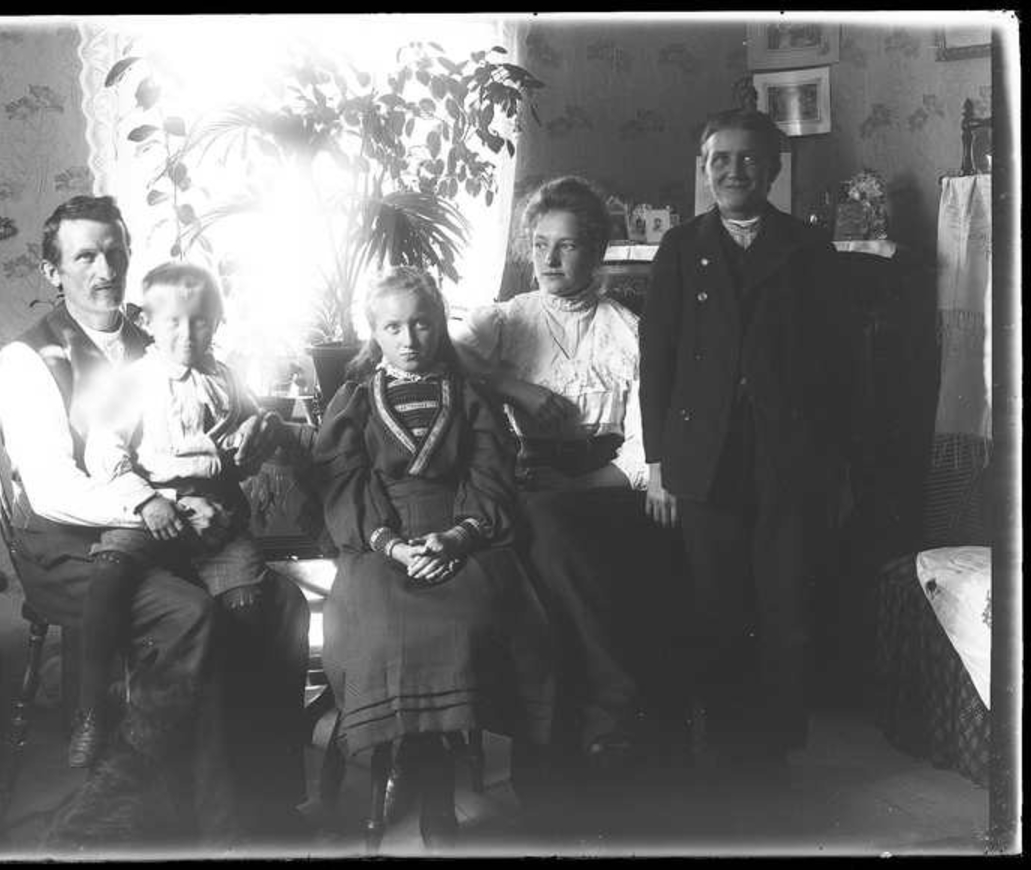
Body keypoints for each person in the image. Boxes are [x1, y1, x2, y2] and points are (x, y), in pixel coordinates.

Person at [0, 195, 309, 845]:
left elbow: (220, 419)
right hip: (72, 546)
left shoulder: (163, 336)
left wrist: (257, 430)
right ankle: (169, 813)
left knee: (281, 603)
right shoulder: (29, 360)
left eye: (115, 252)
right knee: (189, 615)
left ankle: (266, 800)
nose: (105, 269)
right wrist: (170, 509)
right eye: (85, 256)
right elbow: (52, 490)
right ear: (53, 271)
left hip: (169, 537)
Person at [452, 176, 688, 776]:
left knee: (551, 525)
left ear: (596, 251)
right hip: (528, 476)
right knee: (542, 525)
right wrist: (514, 387)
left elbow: (644, 444)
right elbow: (440, 352)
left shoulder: (626, 330)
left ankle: (596, 711)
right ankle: (607, 706)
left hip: (604, 486)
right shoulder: (508, 321)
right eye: (539, 245)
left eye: (567, 245)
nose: (549, 259)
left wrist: (581, 484)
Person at [313, 267, 555, 849]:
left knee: (476, 617)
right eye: (393, 327)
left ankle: (440, 772)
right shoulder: (355, 400)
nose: (409, 339)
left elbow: (489, 474)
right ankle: (426, 773)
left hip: (462, 532)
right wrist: (393, 545)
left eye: (422, 324)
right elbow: (343, 483)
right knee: (382, 625)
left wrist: (457, 538)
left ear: (440, 324)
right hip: (379, 542)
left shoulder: (468, 394)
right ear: (374, 331)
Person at [639, 109, 849, 777]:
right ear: (704, 169)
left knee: (784, 602)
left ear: (774, 169)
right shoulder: (681, 248)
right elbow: (657, 361)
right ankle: (723, 742)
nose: (734, 171)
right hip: (703, 457)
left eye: (749, 158)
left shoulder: (808, 248)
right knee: (715, 601)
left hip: (786, 456)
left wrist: (834, 467)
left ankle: (774, 747)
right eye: (720, 159)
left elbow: (838, 366)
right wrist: (658, 464)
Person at [69, 261, 291, 770]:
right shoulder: (134, 382)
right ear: (147, 322)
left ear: (217, 323)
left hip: (215, 512)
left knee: (248, 599)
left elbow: (252, 425)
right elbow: (104, 450)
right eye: (173, 322)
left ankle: (233, 729)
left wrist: (255, 429)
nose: (188, 334)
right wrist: (146, 501)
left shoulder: (225, 378)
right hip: (152, 504)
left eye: (200, 321)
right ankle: (91, 707)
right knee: (111, 568)